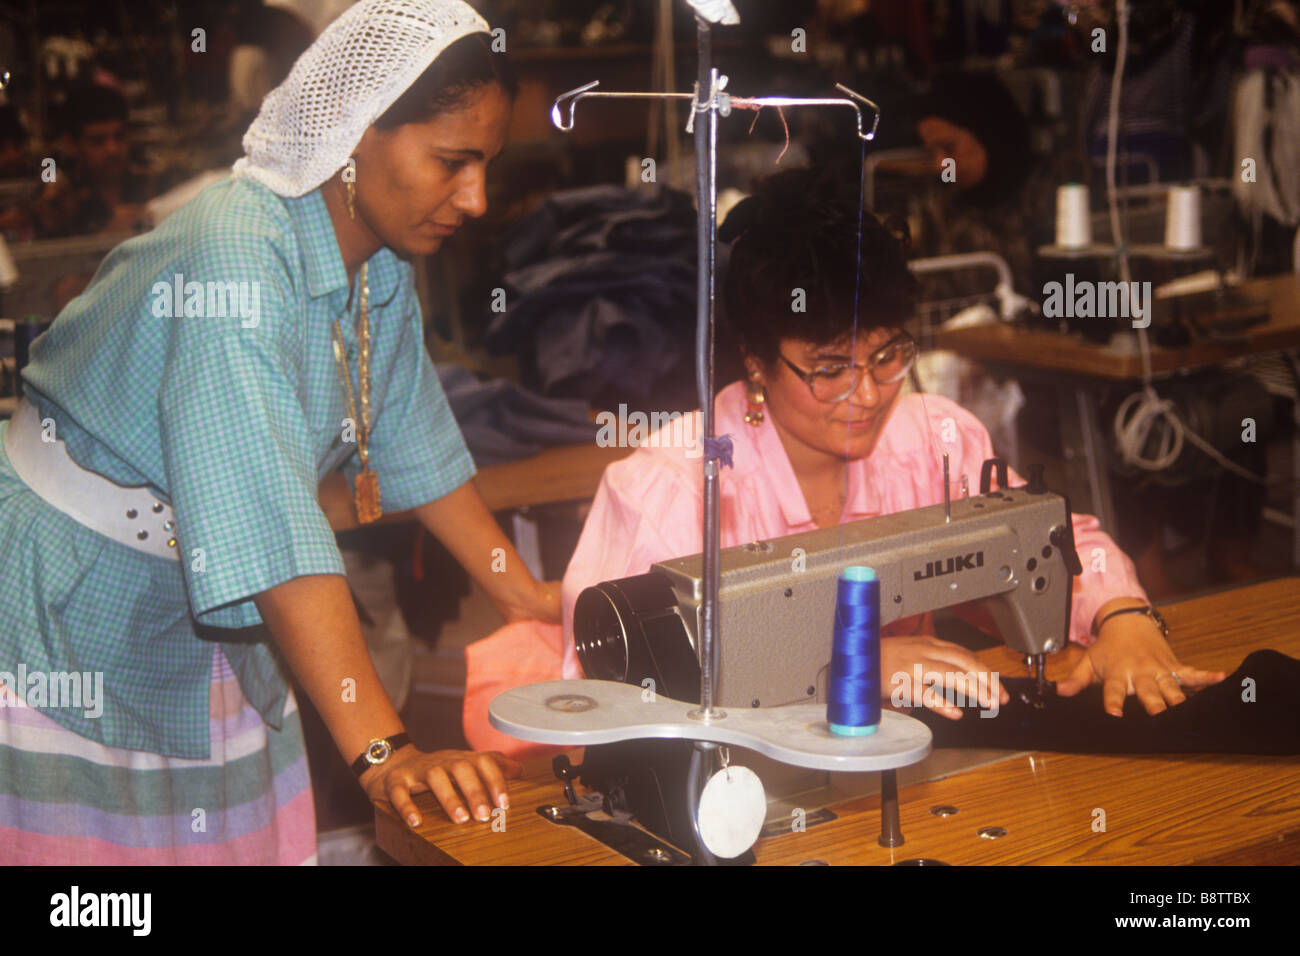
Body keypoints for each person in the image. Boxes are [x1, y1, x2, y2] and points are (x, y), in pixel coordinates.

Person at [0, 0, 556, 865]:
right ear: (356, 134)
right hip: (68, 604)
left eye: (485, 165)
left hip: (196, 595)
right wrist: (383, 751)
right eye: (452, 162)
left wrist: (524, 592)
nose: (477, 198)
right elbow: (269, 522)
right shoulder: (236, 258)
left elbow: (415, 442)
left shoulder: (369, 266)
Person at [463, 168, 1226, 758]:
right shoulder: (672, 484)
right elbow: (622, 699)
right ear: (758, 362)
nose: (865, 394)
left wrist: (1123, 616)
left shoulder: (936, 439)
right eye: (829, 367)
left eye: (890, 355)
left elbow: (1052, 542)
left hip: (893, 755)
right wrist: (853, 665)